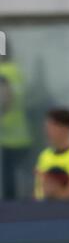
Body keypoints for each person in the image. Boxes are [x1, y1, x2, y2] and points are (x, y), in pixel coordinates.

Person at [0, 44, 32, 200]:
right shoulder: (17, 71)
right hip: (23, 134)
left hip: (6, 136)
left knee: (10, 189)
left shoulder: (2, 72)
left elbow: (5, 98)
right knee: (24, 181)